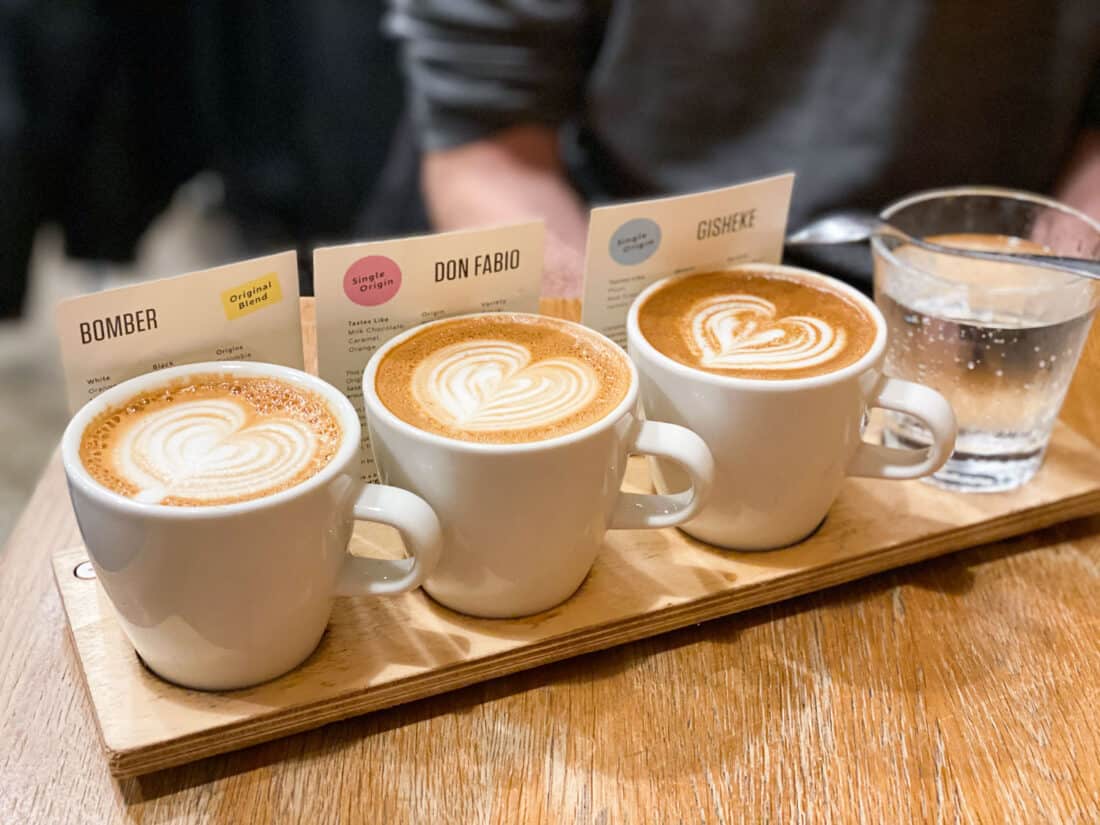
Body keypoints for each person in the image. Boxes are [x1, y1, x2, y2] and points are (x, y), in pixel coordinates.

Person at [386, 1, 1100, 296]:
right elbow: (490, 148)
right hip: (638, 273)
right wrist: (611, 337)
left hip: (988, 296)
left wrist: (1036, 296)